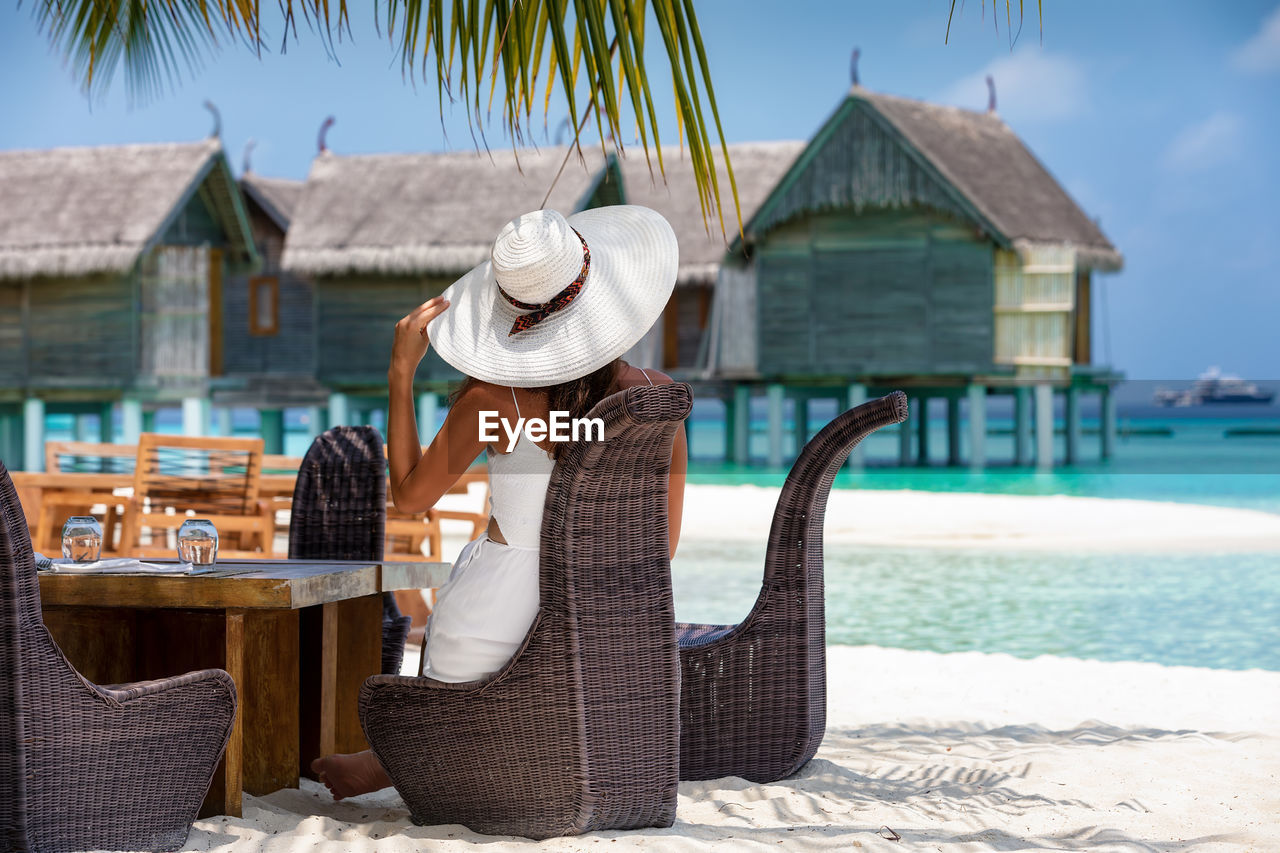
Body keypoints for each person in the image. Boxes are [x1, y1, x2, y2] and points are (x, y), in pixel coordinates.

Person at [312, 205, 687, 800]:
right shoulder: (659, 400)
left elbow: (409, 498)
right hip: (611, 623)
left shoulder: (495, 404)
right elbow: (661, 544)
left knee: (453, 639)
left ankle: (399, 758)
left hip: (490, 635)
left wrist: (400, 373)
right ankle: (398, 757)